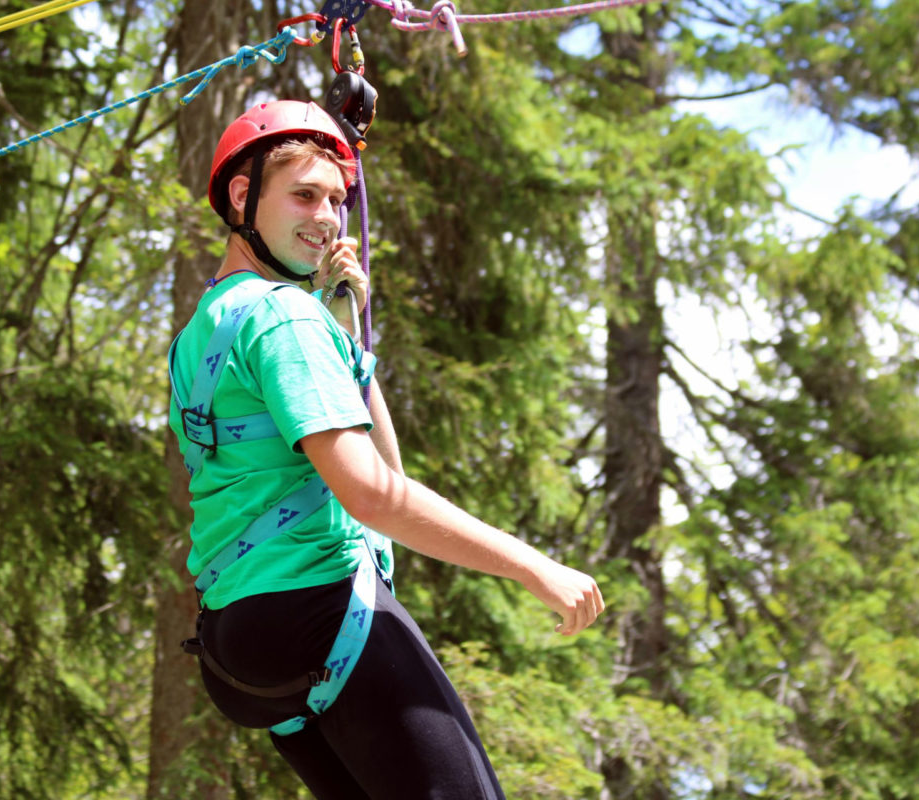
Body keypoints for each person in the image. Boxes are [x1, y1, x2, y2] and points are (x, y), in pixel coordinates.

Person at [167, 99, 605, 800]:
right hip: (319, 608)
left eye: (336, 200)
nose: (327, 218)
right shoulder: (284, 316)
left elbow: (380, 478)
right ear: (243, 196)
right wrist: (533, 566)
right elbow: (375, 494)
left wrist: (344, 334)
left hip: (238, 642)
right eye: (304, 195)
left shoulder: (201, 331)